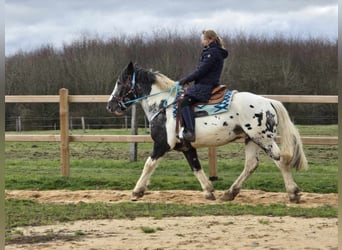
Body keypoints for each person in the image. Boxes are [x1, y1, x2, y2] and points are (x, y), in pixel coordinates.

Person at [179, 29, 228, 142]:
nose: (202, 42)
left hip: (206, 85)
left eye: (204, 39)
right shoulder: (213, 51)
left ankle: (190, 131)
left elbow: (201, 71)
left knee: (184, 102)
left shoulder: (212, 53)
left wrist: (185, 79)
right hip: (207, 83)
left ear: (210, 39)